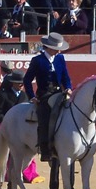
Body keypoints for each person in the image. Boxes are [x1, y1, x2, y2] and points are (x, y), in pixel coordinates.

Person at [23, 32, 72, 161]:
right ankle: (45, 148)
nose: (59, 51)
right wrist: (32, 96)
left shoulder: (60, 59)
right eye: (56, 49)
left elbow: (65, 77)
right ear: (49, 47)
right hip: (44, 95)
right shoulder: (37, 60)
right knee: (45, 116)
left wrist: (68, 87)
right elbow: (27, 80)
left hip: (59, 93)